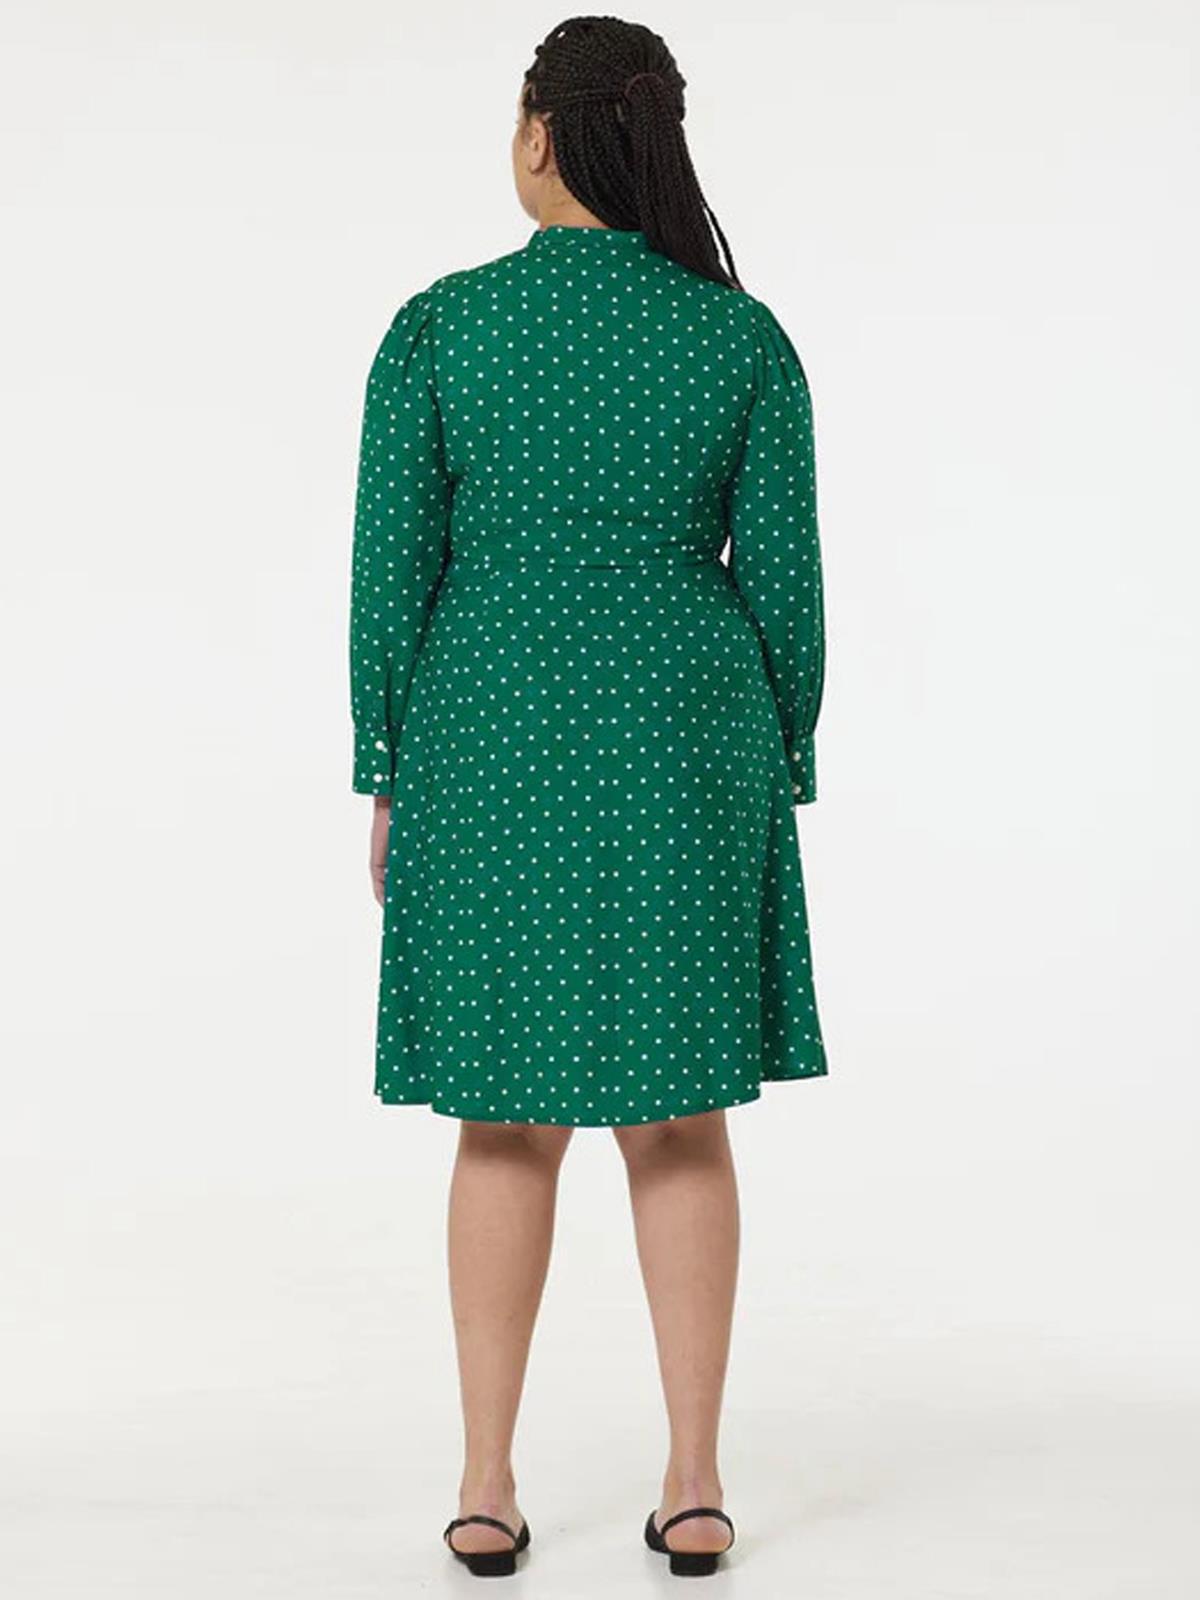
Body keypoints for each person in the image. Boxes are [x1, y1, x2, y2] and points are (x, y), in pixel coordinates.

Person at [348, 16, 828, 1580]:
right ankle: (694, 1486)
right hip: (689, 736)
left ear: (540, 136)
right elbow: (788, 588)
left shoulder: (441, 327)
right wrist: (778, 763)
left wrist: (383, 765)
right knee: (681, 1122)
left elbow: (390, 576)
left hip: (487, 733)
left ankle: (485, 1486)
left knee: (504, 1121)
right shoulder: (739, 339)